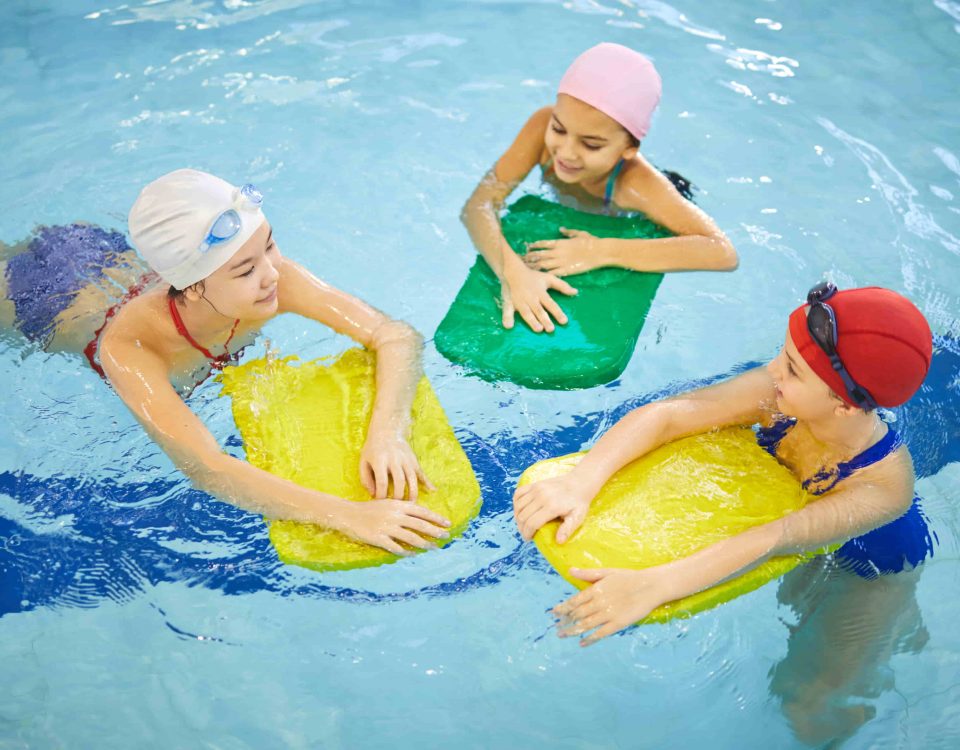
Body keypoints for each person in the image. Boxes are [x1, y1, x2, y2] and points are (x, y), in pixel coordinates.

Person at [1, 169, 450, 556]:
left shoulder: (268, 277)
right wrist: (347, 515)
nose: (273, 273)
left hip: (99, 253)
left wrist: (388, 433)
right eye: (245, 270)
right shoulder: (130, 350)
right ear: (192, 285)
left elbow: (395, 335)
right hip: (35, 301)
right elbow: (207, 467)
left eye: (270, 247)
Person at [513, 282, 935, 646]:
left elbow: (775, 537)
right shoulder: (782, 394)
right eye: (783, 354)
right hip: (791, 516)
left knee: (809, 704)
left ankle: (901, 625)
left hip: (875, 561)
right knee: (793, 600)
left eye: (791, 369)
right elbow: (671, 414)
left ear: (843, 406)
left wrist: (655, 585)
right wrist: (579, 483)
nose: (772, 371)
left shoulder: (883, 486)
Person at [461, 42, 738, 335]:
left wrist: (601, 250)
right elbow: (478, 205)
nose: (566, 153)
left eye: (591, 144)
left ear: (629, 149)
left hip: (622, 213)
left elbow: (722, 252)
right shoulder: (540, 127)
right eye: (559, 129)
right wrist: (512, 273)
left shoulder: (636, 184)